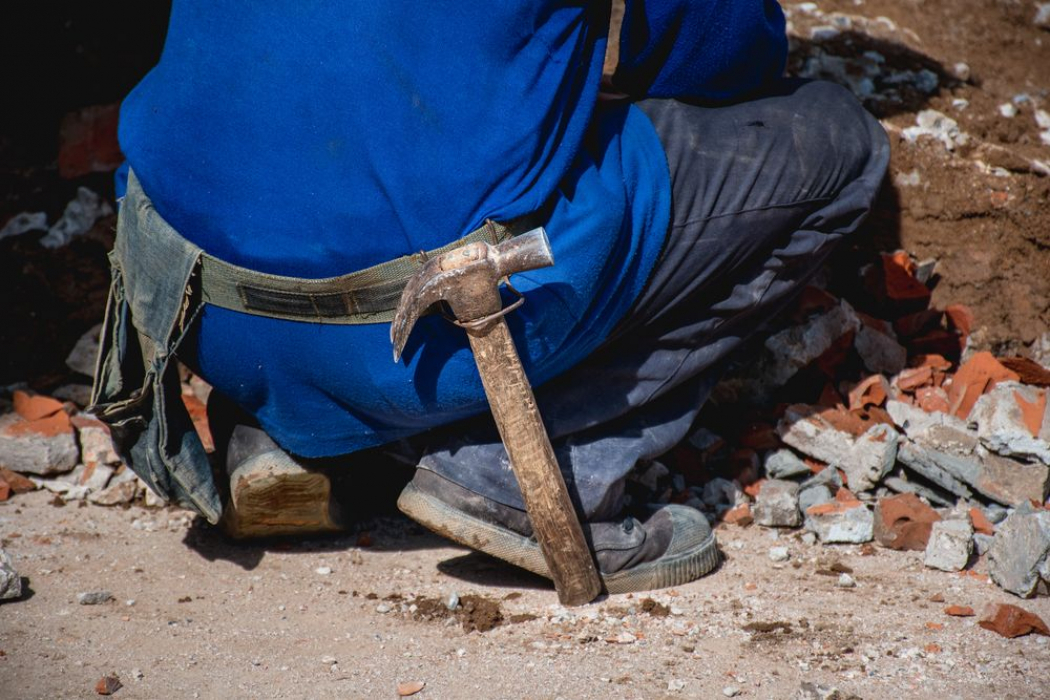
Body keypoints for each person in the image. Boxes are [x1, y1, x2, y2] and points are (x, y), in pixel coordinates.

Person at [94, 1, 888, 593]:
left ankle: (284, 438)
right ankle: (513, 473)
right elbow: (725, 50)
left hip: (199, 307)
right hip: (397, 341)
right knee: (833, 139)